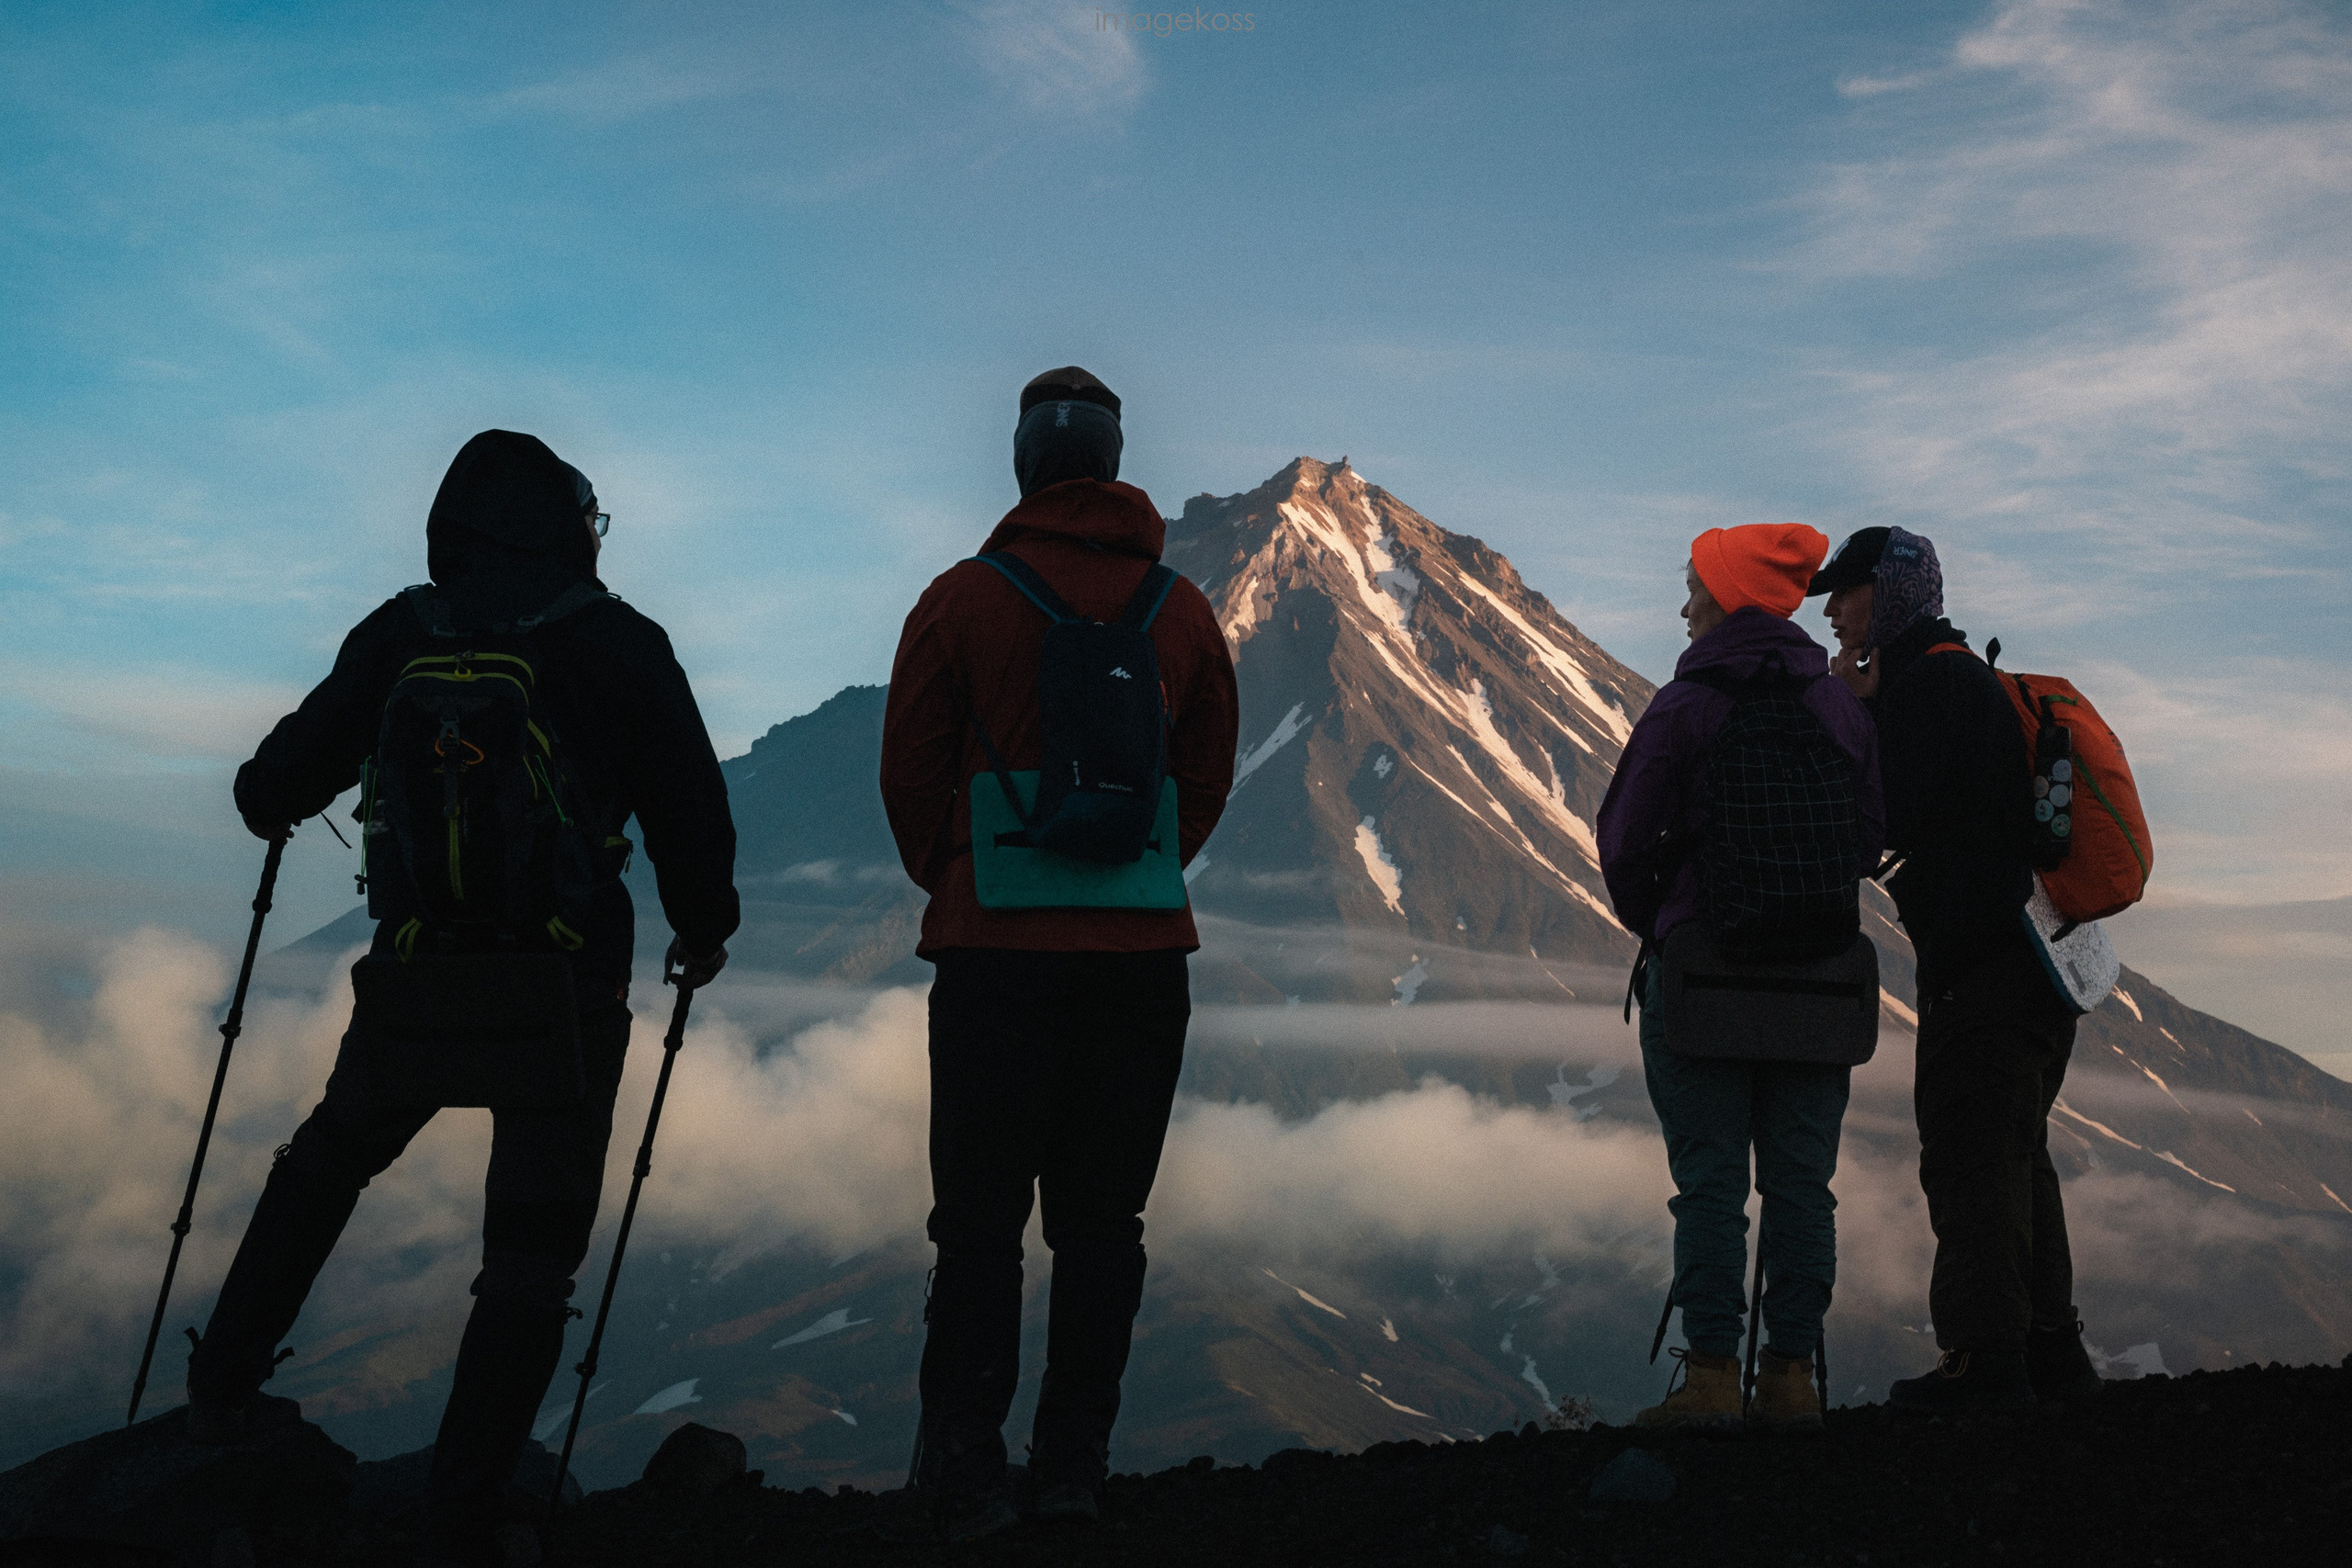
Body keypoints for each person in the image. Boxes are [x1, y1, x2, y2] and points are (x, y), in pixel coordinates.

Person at [187, 430, 739, 1563]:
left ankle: (220, 1390)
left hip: (414, 978)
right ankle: (465, 1505)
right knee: (531, 1254)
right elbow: (691, 812)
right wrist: (704, 929)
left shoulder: (404, 631)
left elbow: (272, 785)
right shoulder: (619, 642)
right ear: (570, 526)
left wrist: (280, 795)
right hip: (562, 987)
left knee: (331, 1157)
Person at [877, 367, 1238, 1540]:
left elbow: (911, 777)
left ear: (1026, 463)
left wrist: (974, 870)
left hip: (994, 955)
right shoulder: (1181, 612)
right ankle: (1073, 1471)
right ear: (1115, 464)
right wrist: (1136, 866)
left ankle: (965, 1474)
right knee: (1103, 1226)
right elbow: (1206, 779)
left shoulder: (961, 599)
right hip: (1140, 958)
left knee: (976, 1223)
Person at [1597, 523, 1883, 1431]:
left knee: (1710, 1182)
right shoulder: (1838, 708)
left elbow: (1622, 843)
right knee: (1802, 1183)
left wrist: (1675, 923)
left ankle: (1713, 1378)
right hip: (1817, 986)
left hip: (1705, 983)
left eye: (1693, 589)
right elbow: (1869, 837)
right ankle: (1792, 1379)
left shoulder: (1686, 704)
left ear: (1725, 598)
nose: (1683, 608)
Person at [1811, 525, 2102, 1412]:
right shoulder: (1956, 676)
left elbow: (1878, 819)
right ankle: (2050, 1354)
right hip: (2028, 969)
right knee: (2016, 1156)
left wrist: (1847, 710)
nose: (1830, 609)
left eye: (1847, 590)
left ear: (1888, 592)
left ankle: (1986, 1363)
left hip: (1982, 969)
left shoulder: (1930, 686)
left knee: (1970, 1157)